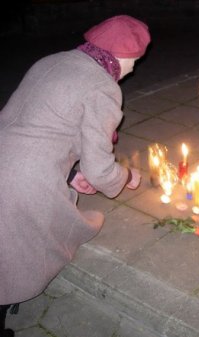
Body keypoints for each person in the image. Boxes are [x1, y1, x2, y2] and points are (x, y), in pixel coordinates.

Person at [0, 15, 151, 335]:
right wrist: (124, 176)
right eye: (134, 61)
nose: (134, 69)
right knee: (21, 243)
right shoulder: (103, 87)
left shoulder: (53, 60)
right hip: (22, 177)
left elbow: (46, 124)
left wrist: (69, 172)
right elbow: (99, 169)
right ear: (121, 55)